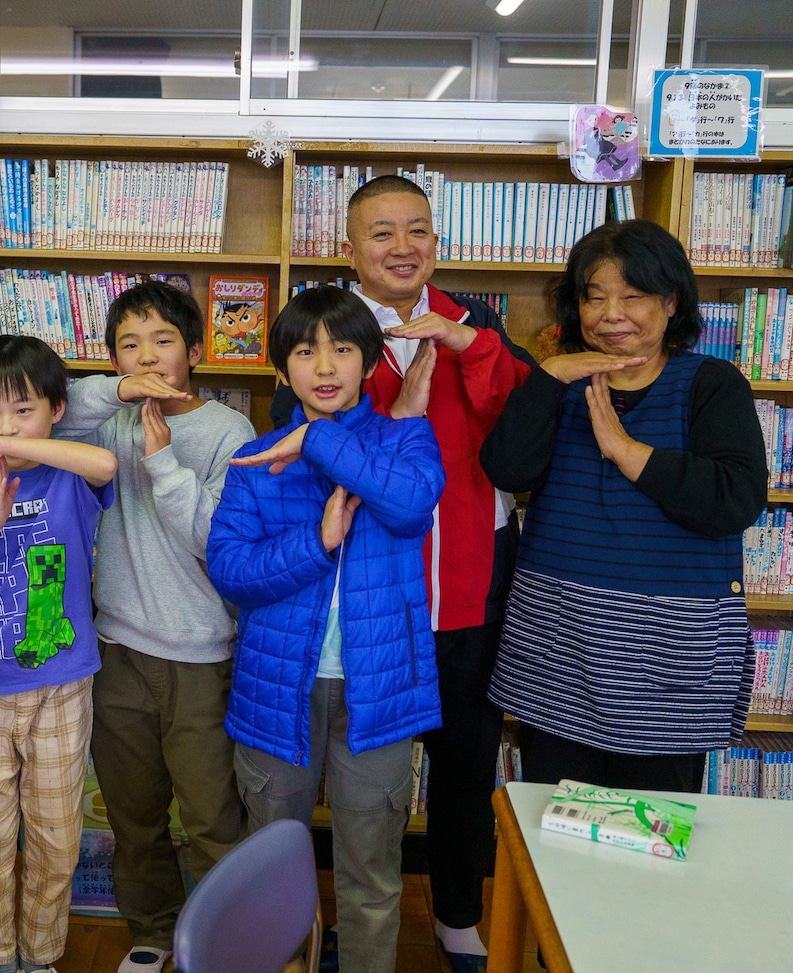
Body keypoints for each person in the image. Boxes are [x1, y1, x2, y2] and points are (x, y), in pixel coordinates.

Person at [270, 174, 532, 971]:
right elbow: (314, 443)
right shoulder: (330, 330)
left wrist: (467, 345)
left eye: (417, 229)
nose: (402, 246)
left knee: (462, 758)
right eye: (382, 232)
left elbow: (520, 431)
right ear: (350, 249)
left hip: (466, 583)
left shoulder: (474, 322)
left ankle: (456, 915)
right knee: (358, 774)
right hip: (370, 595)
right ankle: (327, 920)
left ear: (437, 241)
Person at [480, 219, 768, 794]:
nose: (610, 314)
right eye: (594, 297)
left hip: (668, 652)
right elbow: (508, 470)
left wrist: (626, 452)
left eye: (631, 296)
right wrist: (549, 377)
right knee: (553, 828)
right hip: (560, 642)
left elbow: (734, 500)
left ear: (670, 302)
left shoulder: (711, 383)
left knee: (650, 836)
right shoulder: (558, 384)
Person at [209, 285, 446, 973]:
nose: (325, 364)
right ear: (283, 369)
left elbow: (407, 505)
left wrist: (317, 438)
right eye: (305, 350)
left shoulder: (406, 437)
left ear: (369, 360)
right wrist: (315, 542)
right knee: (274, 870)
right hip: (278, 687)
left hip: (379, 693)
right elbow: (231, 570)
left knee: (370, 874)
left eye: (342, 347)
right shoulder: (257, 460)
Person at [54, 281, 253, 973]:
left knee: (210, 818)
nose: (147, 356)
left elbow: (213, 540)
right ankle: (154, 930)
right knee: (134, 815)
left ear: (195, 351)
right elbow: (49, 413)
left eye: (163, 341)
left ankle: (229, 942)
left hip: (200, 655)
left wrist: (164, 463)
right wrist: (115, 389)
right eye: (128, 345)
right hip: (118, 650)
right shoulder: (109, 417)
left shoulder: (229, 431)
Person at [0, 334, 117, 973]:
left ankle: (40, 958)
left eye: (22, 409)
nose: (3, 427)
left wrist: (9, 447)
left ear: (56, 409)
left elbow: (107, 469)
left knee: (56, 842)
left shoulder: (67, 469)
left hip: (61, 683)